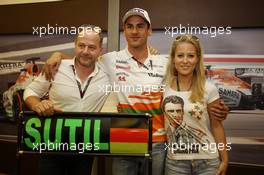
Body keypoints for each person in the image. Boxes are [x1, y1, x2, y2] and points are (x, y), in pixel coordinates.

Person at [42, 8, 229, 175]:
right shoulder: (111, 60)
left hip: (158, 144)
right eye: (130, 26)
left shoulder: (164, 62)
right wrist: (58, 56)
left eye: (140, 26)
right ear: (124, 31)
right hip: (124, 141)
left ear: (149, 30)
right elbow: (84, 60)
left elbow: (191, 84)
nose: (135, 31)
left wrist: (217, 107)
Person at [23, 24, 110, 175]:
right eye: (81, 45)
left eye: (91, 47)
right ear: (75, 45)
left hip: (85, 148)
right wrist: (37, 105)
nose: (85, 51)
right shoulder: (56, 67)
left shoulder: (107, 73)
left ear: (100, 51)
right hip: (52, 145)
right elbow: (30, 90)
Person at [162, 34, 228, 175]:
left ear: (197, 59)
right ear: (173, 59)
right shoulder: (163, 87)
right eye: (180, 55)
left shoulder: (209, 88)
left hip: (208, 162)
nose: (185, 61)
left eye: (191, 56)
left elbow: (217, 126)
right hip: (175, 163)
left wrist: (225, 159)